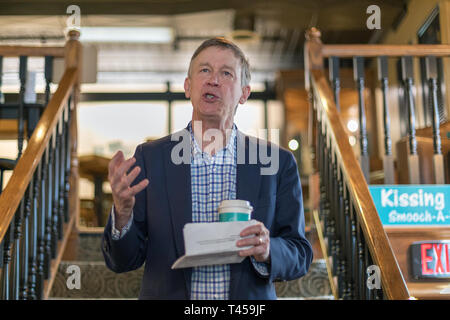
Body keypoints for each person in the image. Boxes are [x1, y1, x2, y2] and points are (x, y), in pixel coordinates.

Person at [102, 37, 313, 300]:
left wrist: (269, 249)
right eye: (204, 70)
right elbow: (122, 261)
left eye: (226, 73)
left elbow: (300, 254)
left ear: (244, 93)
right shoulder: (150, 158)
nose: (213, 80)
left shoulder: (276, 162)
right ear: (188, 87)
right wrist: (122, 215)